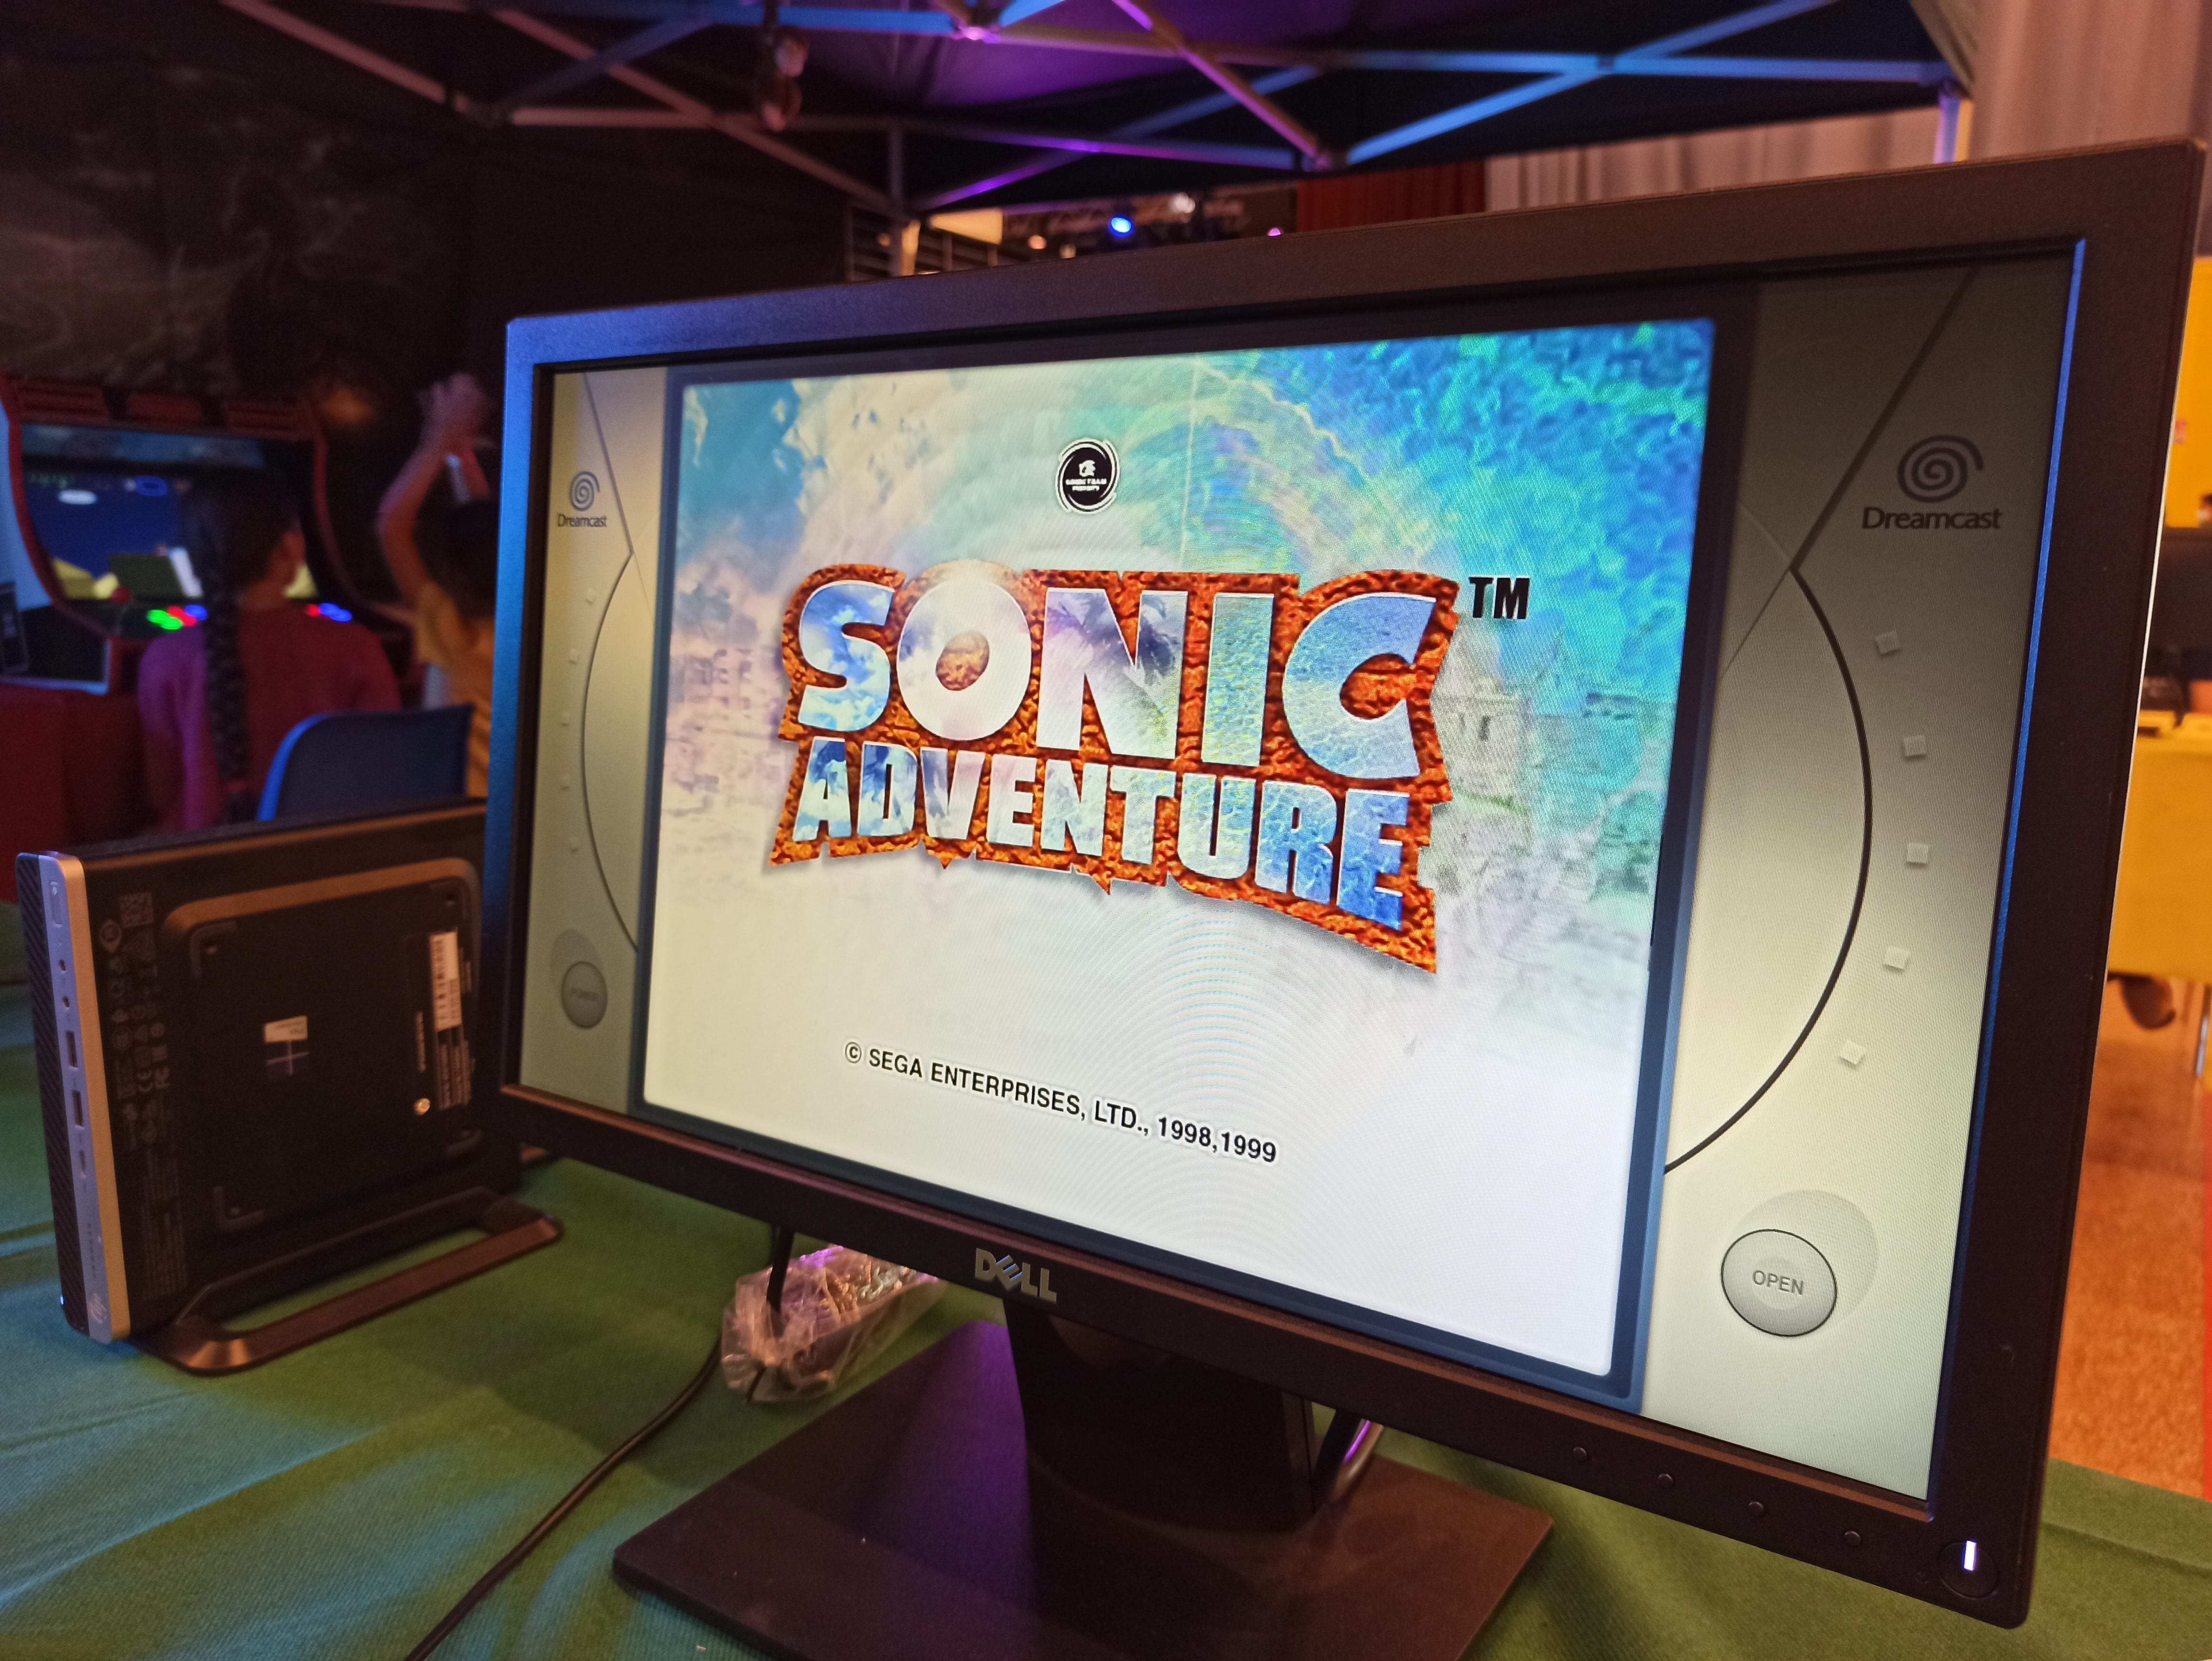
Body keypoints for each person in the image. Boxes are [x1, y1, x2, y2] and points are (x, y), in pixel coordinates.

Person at [140, 471, 398, 830]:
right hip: (330, 848)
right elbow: (384, 774)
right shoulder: (355, 646)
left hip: (199, 855)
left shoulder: (164, 657)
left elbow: (161, 793)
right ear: (289, 548)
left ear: (196, 557)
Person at [377, 374, 497, 797]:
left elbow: (392, 525)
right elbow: (487, 533)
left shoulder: (453, 634)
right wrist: (460, 455)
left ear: (451, 570)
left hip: (451, 807)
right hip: (502, 804)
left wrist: (435, 445)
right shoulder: (522, 634)